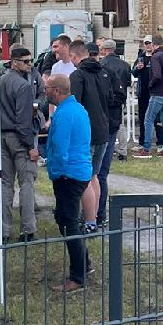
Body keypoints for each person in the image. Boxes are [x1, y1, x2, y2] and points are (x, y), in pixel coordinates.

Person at [44, 75, 92, 292]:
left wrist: (55, 172)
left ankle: (78, 277)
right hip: (78, 171)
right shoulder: (78, 109)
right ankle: (84, 264)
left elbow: (60, 147)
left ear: (56, 90)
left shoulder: (64, 114)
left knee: (68, 223)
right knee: (66, 219)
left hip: (68, 174)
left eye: (47, 88)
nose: (44, 91)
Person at [0, 47, 40, 241]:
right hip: (19, 138)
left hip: (2, 135)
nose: (30, 65)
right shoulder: (23, 85)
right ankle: (28, 229)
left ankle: (3, 230)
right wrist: (30, 146)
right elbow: (23, 121)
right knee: (26, 184)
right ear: (14, 62)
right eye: (26, 61)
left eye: (31, 61)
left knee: (5, 184)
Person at [69, 39, 114, 230]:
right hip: (103, 129)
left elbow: (75, 105)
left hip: (86, 132)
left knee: (84, 177)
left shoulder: (77, 75)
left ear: (74, 56)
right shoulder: (103, 72)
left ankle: (88, 219)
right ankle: (94, 216)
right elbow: (111, 99)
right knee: (94, 175)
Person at [139, 39, 163, 158]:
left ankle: (146, 149)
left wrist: (150, 85)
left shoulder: (155, 57)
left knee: (148, 120)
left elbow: (157, 75)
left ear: (154, 45)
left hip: (158, 93)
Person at [99, 38, 132, 167]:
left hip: (105, 99)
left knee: (105, 124)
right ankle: (122, 151)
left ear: (105, 50)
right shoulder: (125, 65)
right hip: (120, 98)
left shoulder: (102, 64)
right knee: (120, 124)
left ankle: (105, 150)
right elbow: (128, 82)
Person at [132, 36, 155, 148]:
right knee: (142, 117)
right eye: (146, 43)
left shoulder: (157, 56)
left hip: (155, 92)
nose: (148, 45)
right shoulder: (140, 57)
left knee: (157, 117)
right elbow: (133, 72)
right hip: (143, 92)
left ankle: (160, 141)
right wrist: (138, 68)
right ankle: (142, 141)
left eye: (149, 43)